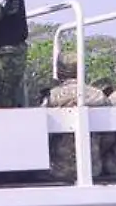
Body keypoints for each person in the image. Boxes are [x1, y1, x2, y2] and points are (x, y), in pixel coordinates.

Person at [40, 50, 106, 184]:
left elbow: (40, 135)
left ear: (59, 71)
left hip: (57, 169)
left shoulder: (51, 97)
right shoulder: (99, 95)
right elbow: (109, 137)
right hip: (94, 168)